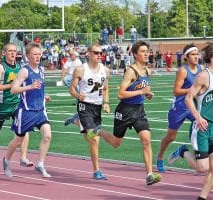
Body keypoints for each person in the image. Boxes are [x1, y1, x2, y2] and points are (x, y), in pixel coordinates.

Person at [88, 41, 161, 185]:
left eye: (147, 51)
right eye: (143, 51)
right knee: (116, 143)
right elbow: (120, 94)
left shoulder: (146, 70)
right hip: (125, 111)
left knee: (146, 140)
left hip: (139, 110)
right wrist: (141, 91)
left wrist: (146, 94)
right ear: (135, 54)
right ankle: (99, 131)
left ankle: (149, 174)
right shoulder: (131, 71)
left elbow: (141, 88)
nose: (146, 54)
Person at [2, 42, 52, 178]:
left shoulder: (42, 70)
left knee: (47, 135)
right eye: (34, 54)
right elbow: (13, 89)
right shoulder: (24, 71)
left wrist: (44, 95)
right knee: (18, 141)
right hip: (26, 112)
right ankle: (6, 160)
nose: (38, 56)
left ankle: (40, 163)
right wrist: (29, 87)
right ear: (28, 56)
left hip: (40, 110)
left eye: (39, 54)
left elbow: (40, 87)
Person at [0, 43, 33, 167]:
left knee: (24, 128)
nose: (13, 53)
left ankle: (23, 157)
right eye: (10, 51)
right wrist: (11, 85)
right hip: (3, 105)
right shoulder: (1, 67)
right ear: (4, 53)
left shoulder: (20, 66)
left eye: (15, 51)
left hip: (16, 103)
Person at [156, 44, 203, 172]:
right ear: (186, 57)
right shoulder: (183, 70)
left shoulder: (200, 69)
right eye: (193, 54)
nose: (196, 57)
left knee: (202, 127)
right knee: (171, 137)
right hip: (180, 107)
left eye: (197, 54)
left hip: (193, 106)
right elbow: (176, 91)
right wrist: (193, 89)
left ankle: (198, 156)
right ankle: (160, 157)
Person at [69, 43, 110, 180]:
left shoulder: (105, 70)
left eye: (101, 53)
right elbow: (72, 89)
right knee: (95, 139)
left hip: (97, 108)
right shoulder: (80, 69)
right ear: (89, 54)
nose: (100, 55)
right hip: (84, 106)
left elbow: (105, 88)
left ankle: (77, 122)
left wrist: (106, 103)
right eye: (97, 53)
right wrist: (78, 96)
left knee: (90, 137)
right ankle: (96, 170)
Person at [184, 42, 213, 200]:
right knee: (203, 168)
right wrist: (198, 117)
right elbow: (188, 98)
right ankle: (183, 151)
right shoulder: (204, 76)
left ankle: (202, 197)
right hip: (202, 127)